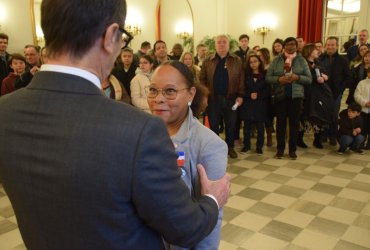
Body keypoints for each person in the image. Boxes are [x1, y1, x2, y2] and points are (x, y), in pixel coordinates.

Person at [0, 0, 231, 249]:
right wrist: (212, 199)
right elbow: (185, 229)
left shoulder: (5, 112)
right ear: (111, 36)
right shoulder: (138, 130)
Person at [147, 61, 227, 250]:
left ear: (190, 94)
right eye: (153, 90)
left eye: (169, 91)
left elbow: (211, 217)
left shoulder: (209, 145)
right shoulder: (143, 133)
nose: (158, 99)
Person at [266, 37, 312, 160]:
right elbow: (268, 77)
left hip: (296, 97)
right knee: (280, 124)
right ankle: (280, 150)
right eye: (287, 44)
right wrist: (278, 79)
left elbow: (309, 79)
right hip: (281, 96)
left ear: (296, 46)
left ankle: (292, 150)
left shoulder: (302, 60)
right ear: (284, 46)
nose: (290, 47)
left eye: (293, 44)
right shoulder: (276, 60)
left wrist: (297, 78)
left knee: (294, 124)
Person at [199, 34, 244, 159]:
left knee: (231, 124)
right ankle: (215, 148)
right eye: (219, 42)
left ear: (228, 44)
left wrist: (240, 95)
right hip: (213, 98)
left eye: (224, 42)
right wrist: (204, 95)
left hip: (231, 98)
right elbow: (202, 79)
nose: (222, 44)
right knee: (213, 125)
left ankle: (230, 147)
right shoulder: (208, 60)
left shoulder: (236, 60)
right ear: (215, 45)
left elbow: (241, 79)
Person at [320, 36, 352, 146]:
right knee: (322, 113)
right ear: (325, 46)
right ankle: (322, 135)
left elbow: (348, 77)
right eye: (328, 44)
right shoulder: (320, 59)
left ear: (337, 46)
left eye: (333, 45)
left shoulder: (343, 60)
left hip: (336, 92)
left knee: (333, 114)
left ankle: (332, 135)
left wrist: (341, 88)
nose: (330, 47)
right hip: (322, 92)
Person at [301, 44, 333, 149]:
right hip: (308, 93)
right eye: (315, 50)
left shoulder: (319, 62)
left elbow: (326, 74)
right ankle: (299, 139)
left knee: (320, 115)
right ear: (309, 51)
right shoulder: (303, 62)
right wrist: (316, 77)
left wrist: (325, 77)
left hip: (320, 93)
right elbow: (305, 76)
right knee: (305, 116)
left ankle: (317, 139)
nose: (317, 51)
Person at [239, 54, 270, 155]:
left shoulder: (265, 75)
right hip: (248, 104)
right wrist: (249, 94)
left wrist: (259, 95)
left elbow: (268, 90)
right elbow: (242, 89)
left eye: (255, 61)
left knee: (260, 128)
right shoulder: (246, 75)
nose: (253, 64)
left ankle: (259, 147)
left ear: (259, 62)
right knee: (246, 127)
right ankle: (246, 146)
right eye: (251, 62)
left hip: (261, 104)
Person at [354, 67, 370, 150]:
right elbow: (357, 95)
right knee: (363, 127)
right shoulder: (362, 83)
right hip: (363, 110)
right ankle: (361, 142)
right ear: (367, 73)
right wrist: (365, 103)